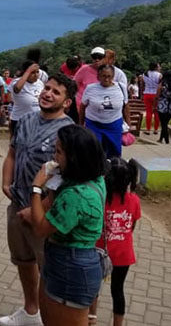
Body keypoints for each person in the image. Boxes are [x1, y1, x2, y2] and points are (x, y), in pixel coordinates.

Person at [0, 73, 76, 326]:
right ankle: (31, 312)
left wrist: (38, 210)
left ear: (67, 102)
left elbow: (66, 179)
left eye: (56, 92)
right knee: (23, 260)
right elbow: (12, 153)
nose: (48, 94)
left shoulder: (69, 132)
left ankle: (49, 318)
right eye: (47, 88)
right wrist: (6, 181)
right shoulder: (26, 119)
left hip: (45, 212)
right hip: (17, 204)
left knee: (48, 269)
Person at [24, 124, 106, 326]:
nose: (54, 156)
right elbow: (51, 206)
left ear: (76, 158)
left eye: (59, 152)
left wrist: (36, 187)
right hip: (63, 260)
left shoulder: (76, 195)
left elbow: (41, 228)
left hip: (72, 267)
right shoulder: (94, 178)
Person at [89, 157, 141, 326]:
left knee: (93, 289)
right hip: (124, 254)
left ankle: (91, 319)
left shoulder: (100, 199)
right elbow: (132, 225)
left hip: (99, 252)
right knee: (118, 291)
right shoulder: (134, 200)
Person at [80, 65, 129, 158]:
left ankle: (113, 170)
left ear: (113, 76)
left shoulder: (121, 87)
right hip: (94, 124)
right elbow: (82, 107)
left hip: (114, 125)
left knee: (114, 152)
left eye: (109, 76)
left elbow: (126, 106)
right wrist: (81, 124)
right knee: (94, 151)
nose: (106, 79)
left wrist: (128, 125)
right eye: (104, 76)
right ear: (98, 76)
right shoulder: (90, 88)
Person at [9, 61, 45, 136]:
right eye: (32, 72)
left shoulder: (40, 83)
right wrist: (28, 71)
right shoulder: (17, 82)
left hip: (36, 120)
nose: (36, 75)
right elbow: (17, 89)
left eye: (37, 72)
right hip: (19, 120)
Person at [155, 70, 171, 144]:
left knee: (163, 123)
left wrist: (155, 104)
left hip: (162, 105)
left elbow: (157, 95)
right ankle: (161, 138)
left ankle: (167, 140)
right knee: (165, 123)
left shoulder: (162, 84)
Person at [142, 63, 162, 135]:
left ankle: (148, 129)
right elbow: (160, 85)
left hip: (147, 93)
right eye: (159, 66)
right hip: (156, 94)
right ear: (156, 67)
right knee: (156, 112)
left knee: (148, 112)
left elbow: (143, 84)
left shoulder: (145, 74)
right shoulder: (159, 75)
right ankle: (156, 129)